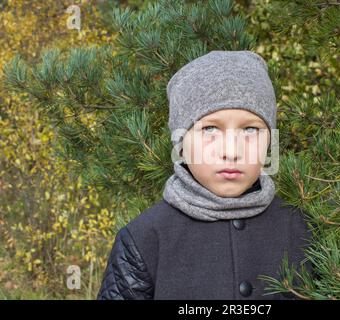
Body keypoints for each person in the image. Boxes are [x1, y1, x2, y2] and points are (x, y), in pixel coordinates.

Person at [97, 50, 313, 300]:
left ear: (270, 140)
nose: (231, 151)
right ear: (180, 142)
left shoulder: (303, 230)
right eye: (210, 128)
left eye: (250, 129)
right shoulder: (144, 239)